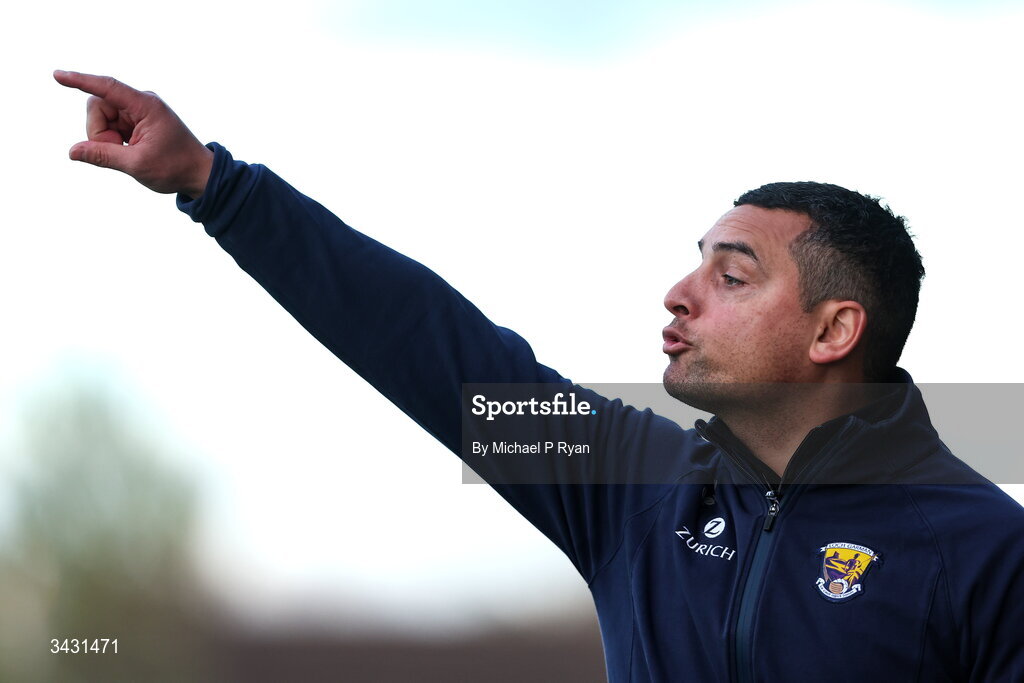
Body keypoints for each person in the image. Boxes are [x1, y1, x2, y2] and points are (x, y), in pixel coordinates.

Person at [54, 70, 1024, 682]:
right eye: (693, 262)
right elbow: (429, 346)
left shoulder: (985, 550)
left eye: (731, 275)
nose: (678, 294)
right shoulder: (631, 488)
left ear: (834, 329)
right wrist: (215, 187)